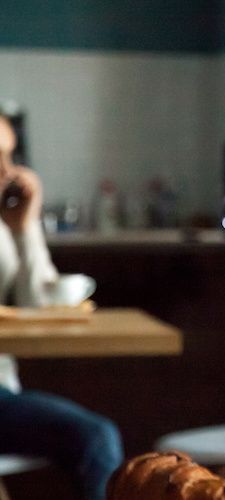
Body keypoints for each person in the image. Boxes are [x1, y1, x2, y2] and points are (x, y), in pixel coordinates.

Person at [0, 112, 123, 500]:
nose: (6, 171)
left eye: (10, 156)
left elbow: (39, 306)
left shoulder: (5, 223)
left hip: (3, 393)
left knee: (97, 439)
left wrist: (24, 228)